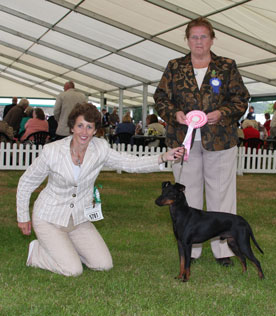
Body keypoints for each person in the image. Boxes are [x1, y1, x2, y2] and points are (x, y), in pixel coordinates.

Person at [16, 102, 184, 277]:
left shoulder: (100, 148)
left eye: (89, 127)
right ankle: (37, 252)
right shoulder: (51, 151)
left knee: (103, 265)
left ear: (95, 130)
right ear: (72, 127)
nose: (84, 132)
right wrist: (23, 217)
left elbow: (129, 163)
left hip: (78, 220)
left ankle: (65, 249)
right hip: (48, 218)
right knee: (73, 270)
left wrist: (163, 157)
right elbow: (26, 182)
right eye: (80, 126)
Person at [154, 17, 249, 267]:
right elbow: (161, 98)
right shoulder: (174, 66)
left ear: (212, 39)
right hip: (182, 141)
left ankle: (224, 250)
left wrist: (223, 113)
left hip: (220, 140)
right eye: (194, 37)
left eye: (203, 36)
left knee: (221, 194)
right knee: (187, 192)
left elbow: (241, 99)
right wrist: (174, 114)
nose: (199, 41)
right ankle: (191, 250)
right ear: (187, 39)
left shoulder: (227, 66)